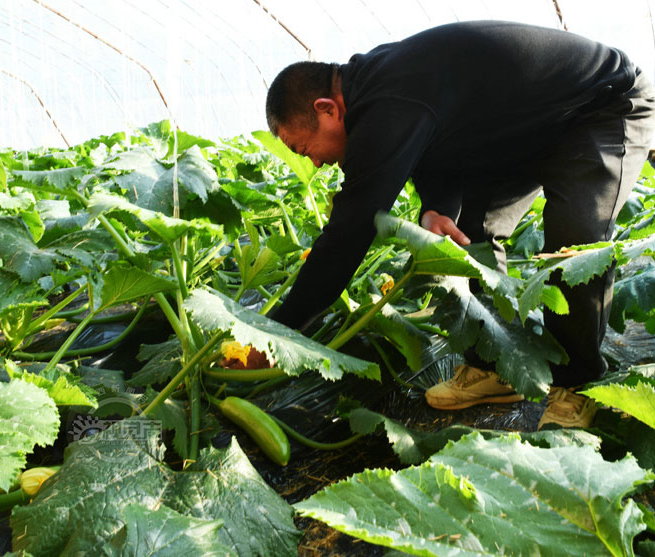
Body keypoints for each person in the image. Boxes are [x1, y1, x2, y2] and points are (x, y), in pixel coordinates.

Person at [263, 20, 655, 429]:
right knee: (473, 237)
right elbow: (443, 141)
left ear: (326, 109)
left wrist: (275, 333)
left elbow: (348, 233)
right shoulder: (382, 87)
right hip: (531, 128)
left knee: (575, 244)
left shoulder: (387, 98)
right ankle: (497, 367)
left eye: (303, 149)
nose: (313, 162)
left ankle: (577, 384)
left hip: (603, 105)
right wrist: (437, 207)